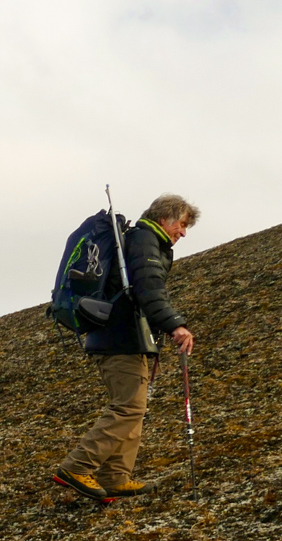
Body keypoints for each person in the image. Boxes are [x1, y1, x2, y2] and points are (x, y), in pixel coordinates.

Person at [54, 194, 200, 500]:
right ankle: (78, 466)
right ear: (165, 219)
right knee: (129, 406)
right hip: (119, 337)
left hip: (119, 336)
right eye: (182, 224)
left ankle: (117, 476)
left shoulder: (142, 241)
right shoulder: (145, 242)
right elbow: (150, 290)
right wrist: (175, 325)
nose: (183, 233)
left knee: (134, 405)